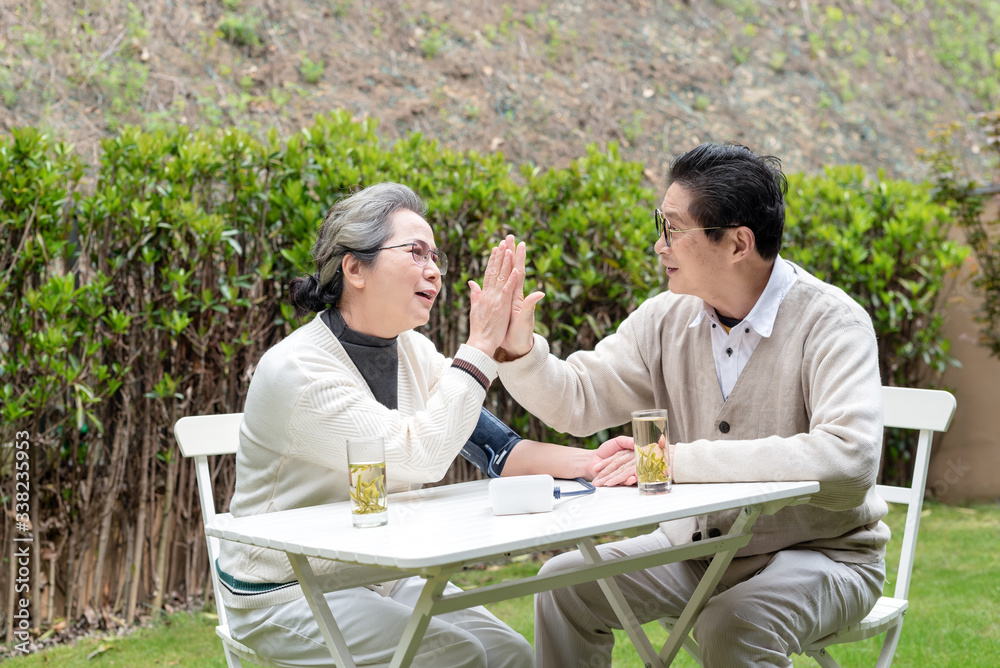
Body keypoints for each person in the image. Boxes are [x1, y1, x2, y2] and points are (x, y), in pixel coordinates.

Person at [494, 143, 889, 667]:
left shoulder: (833, 323)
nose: (660, 246)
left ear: (737, 243)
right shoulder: (665, 318)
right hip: (698, 553)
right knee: (566, 583)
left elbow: (849, 460)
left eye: (673, 229)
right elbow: (579, 400)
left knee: (733, 623)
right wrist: (520, 352)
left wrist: (675, 462)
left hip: (823, 555)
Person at [218, 182, 633, 668]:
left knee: (511, 655)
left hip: (376, 574)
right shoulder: (299, 372)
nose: (434, 270)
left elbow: (495, 448)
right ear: (355, 268)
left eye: (435, 255)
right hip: (285, 592)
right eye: (415, 252)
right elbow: (420, 455)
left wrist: (593, 461)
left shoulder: (412, 351)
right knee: (455, 656)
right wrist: (481, 346)